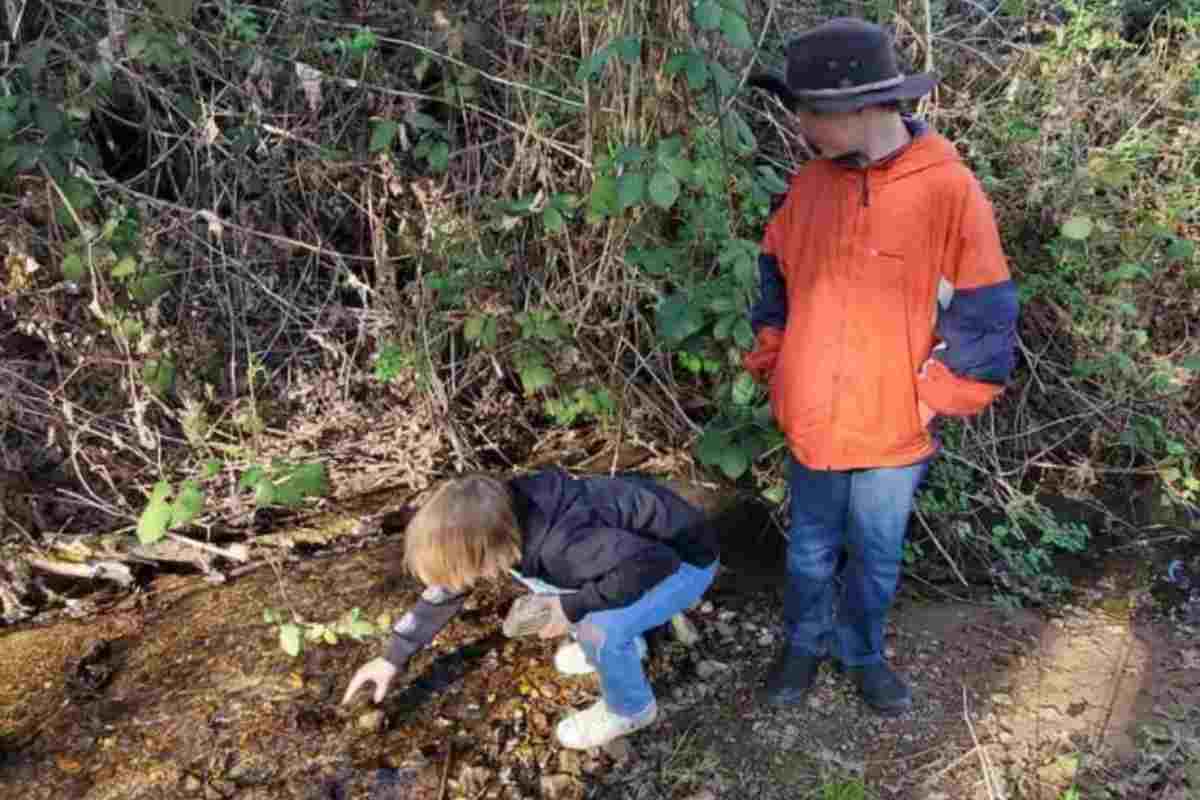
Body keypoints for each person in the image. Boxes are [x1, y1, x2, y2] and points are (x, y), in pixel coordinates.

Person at [744, 18, 1019, 715]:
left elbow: (985, 308)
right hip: (812, 415)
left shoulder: (948, 190)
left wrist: (939, 395)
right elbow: (771, 275)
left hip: (894, 426)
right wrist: (776, 363)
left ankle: (861, 652)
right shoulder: (809, 184)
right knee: (808, 550)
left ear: (867, 107)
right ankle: (803, 646)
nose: (801, 124)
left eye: (811, 109)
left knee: (876, 554)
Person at [340, 469, 719, 748]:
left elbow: (656, 562)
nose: (456, 584)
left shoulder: (566, 549)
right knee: (548, 588)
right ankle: (624, 644)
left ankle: (631, 708)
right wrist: (393, 656)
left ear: (486, 550)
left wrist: (572, 607)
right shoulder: (504, 510)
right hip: (629, 552)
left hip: (685, 562)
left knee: (597, 630)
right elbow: (450, 586)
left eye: (464, 573)